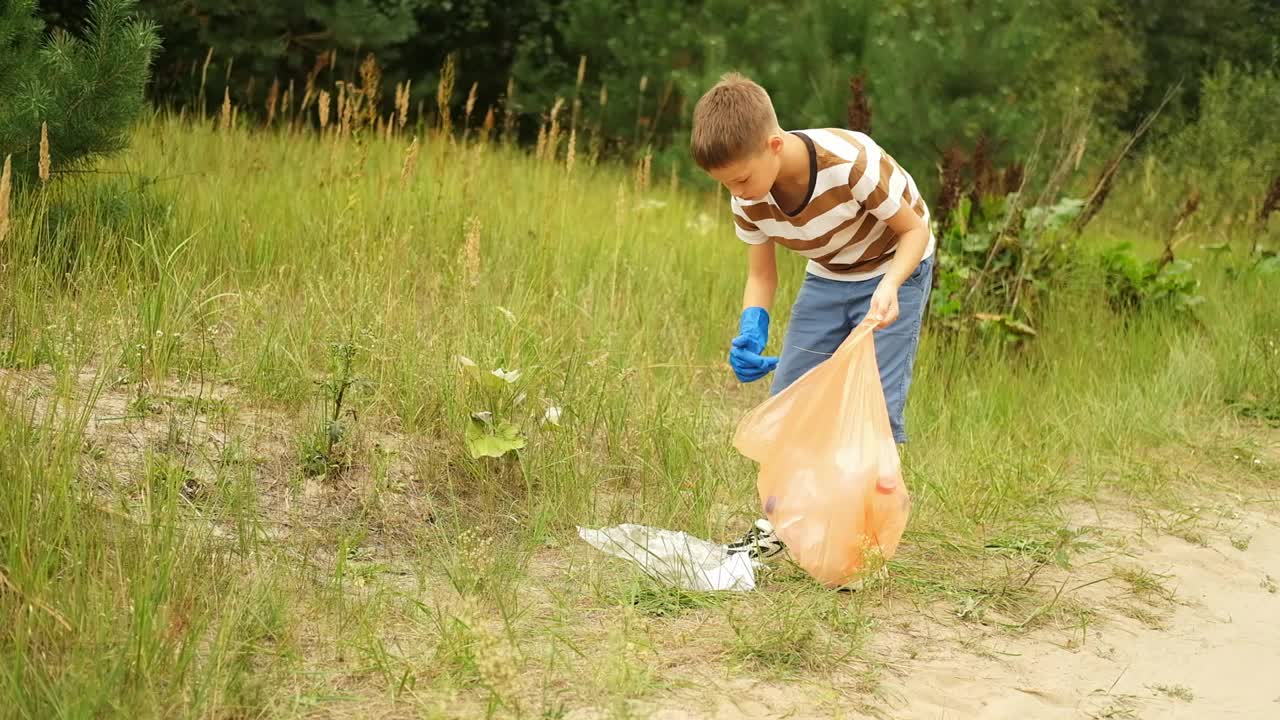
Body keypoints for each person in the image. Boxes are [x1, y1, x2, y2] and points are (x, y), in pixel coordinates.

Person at [689, 73, 935, 560]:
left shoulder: (852, 163)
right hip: (828, 274)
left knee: (874, 410)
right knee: (792, 401)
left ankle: (860, 539)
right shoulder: (747, 198)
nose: (737, 193)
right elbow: (762, 276)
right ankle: (780, 526)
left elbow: (915, 231)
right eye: (727, 184)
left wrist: (888, 287)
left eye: (740, 179)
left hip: (896, 268)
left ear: (774, 145)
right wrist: (751, 328)